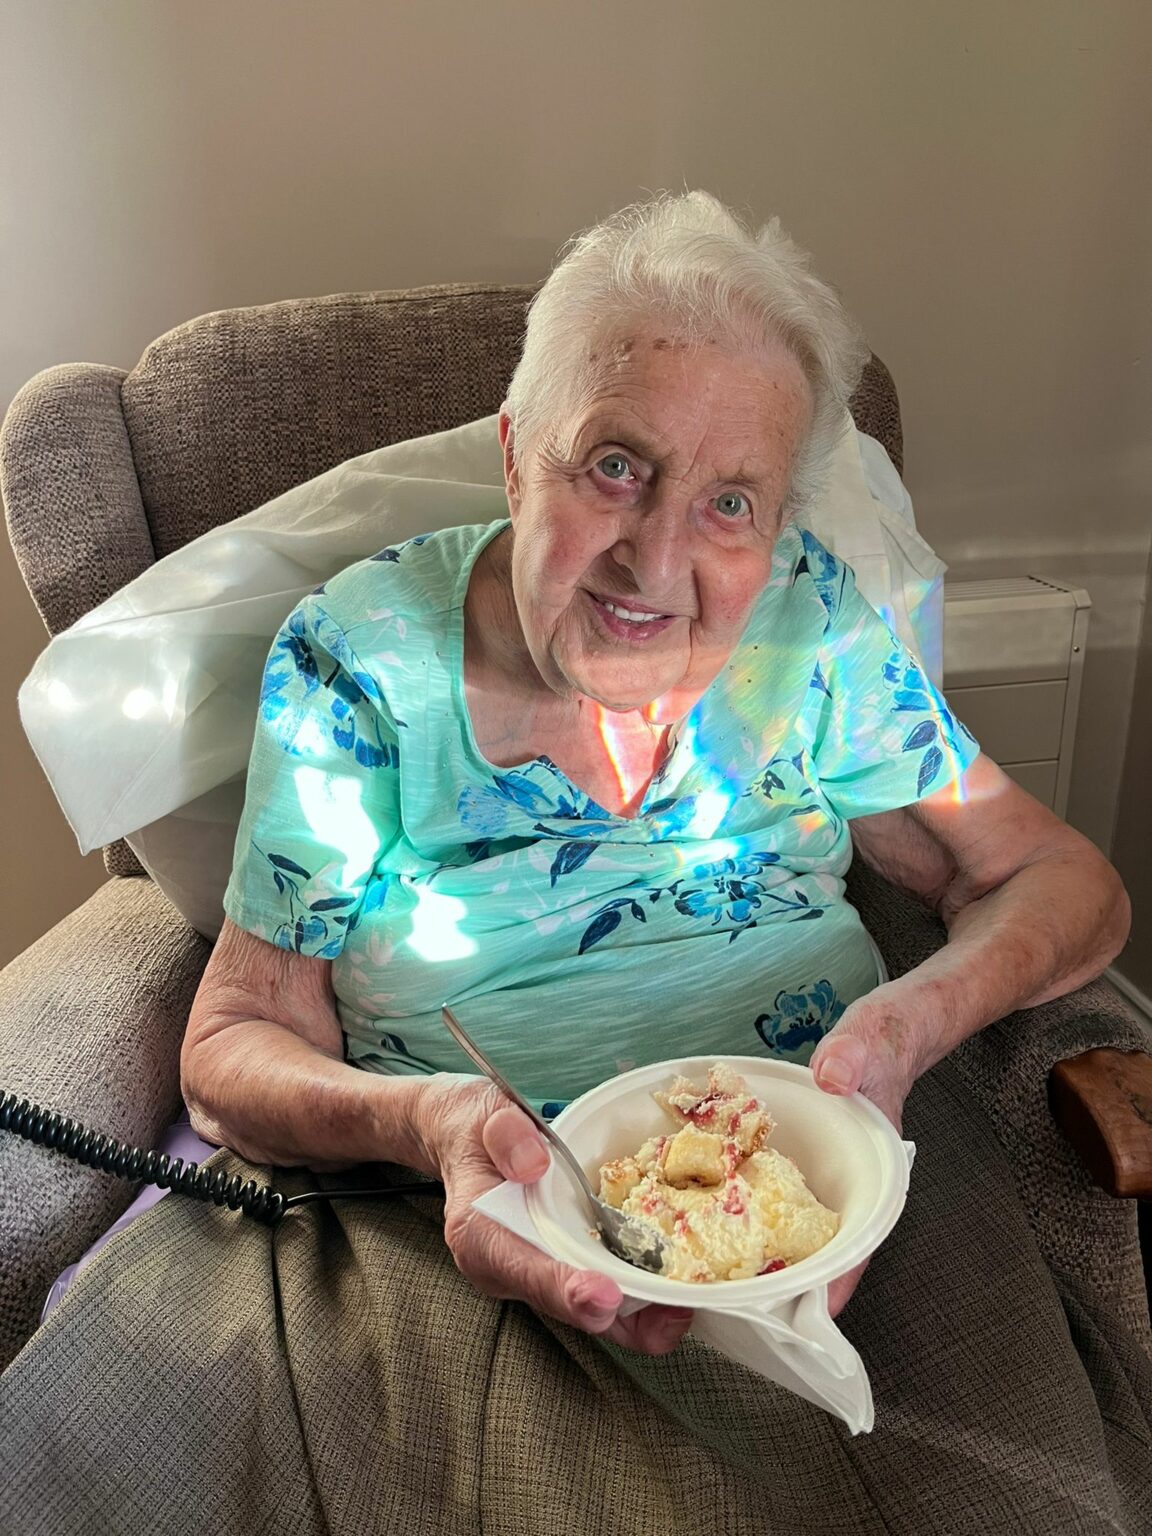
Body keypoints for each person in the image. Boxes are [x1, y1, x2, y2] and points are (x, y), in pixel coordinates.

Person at [1, 192, 1144, 1535]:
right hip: (455, 1209)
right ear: (514, 457)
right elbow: (236, 1040)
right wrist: (429, 1128)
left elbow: (1067, 884)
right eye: (614, 466)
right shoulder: (364, 661)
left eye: (730, 502)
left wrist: (910, 1025)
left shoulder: (812, 631)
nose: (656, 560)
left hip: (825, 1182)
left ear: (778, 525)